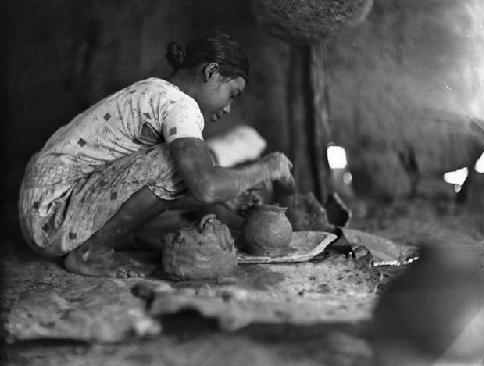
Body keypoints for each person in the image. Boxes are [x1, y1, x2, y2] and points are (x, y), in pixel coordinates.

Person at [18, 31, 295, 278]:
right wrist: (265, 168)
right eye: (232, 94)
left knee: (184, 164)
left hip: (44, 207)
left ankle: (91, 245)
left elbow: (162, 187)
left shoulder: (154, 91)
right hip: (53, 212)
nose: (227, 110)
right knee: (176, 163)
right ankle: (91, 252)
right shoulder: (180, 106)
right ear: (211, 72)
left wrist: (230, 196)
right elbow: (205, 187)